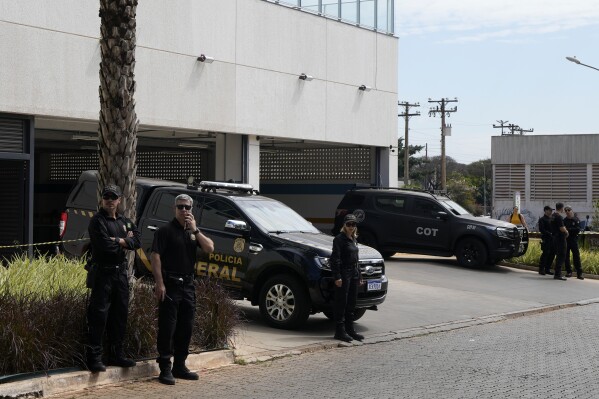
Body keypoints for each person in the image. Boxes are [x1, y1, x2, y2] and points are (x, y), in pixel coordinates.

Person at [151, 194, 214, 385]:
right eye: (180, 207)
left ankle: (180, 366)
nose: (184, 210)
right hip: (170, 284)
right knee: (168, 328)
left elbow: (210, 248)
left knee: (186, 327)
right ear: (174, 209)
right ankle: (165, 368)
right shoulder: (165, 231)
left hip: (188, 285)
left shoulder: (193, 233)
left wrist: (196, 230)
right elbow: (155, 257)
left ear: (192, 210)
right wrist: (160, 283)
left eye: (187, 207)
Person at [86, 184, 141, 372]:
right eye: (106, 196)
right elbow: (104, 247)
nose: (110, 200)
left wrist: (117, 240)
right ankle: (94, 359)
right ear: (102, 199)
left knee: (119, 315)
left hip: (120, 274)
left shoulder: (125, 222)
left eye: (113, 197)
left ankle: (116, 355)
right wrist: (126, 241)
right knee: (99, 316)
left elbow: (138, 241)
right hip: (103, 274)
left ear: (119, 200)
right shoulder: (97, 221)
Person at [330, 213, 364, 343]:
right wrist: (337, 276)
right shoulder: (339, 239)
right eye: (348, 224)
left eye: (353, 224)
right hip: (344, 272)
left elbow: (356, 259)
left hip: (354, 272)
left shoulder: (354, 239)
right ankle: (339, 331)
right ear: (344, 225)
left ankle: (350, 329)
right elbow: (335, 259)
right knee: (342, 302)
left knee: (351, 302)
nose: (351, 227)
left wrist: (359, 274)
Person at [564, 207, 584, 280]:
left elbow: (578, 229)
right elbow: (563, 230)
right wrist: (569, 230)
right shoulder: (564, 220)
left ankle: (579, 273)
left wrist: (568, 229)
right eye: (566, 210)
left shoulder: (576, 220)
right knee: (566, 257)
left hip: (574, 240)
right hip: (566, 240)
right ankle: (569, 272)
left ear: (572, 211)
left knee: (576, 256)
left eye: (569, 210)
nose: (567, 212)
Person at [550, 202, 569, 281]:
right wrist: (566, 232)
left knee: (558, 255)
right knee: (561, 255)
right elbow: (561, 228)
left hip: (554, 237)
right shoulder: (559, 217)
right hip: (560, 238)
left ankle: (557, 273)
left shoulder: (553, 216)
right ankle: (558, 274)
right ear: (561, 208)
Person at [537, 205, 553, 275]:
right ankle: (541, 269)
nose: (551, 212)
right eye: (550, 210)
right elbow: (542, 230)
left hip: (552, 239)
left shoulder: (552, 219)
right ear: (546, 210)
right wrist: (549, 234)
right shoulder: (542, 219)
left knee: (552, 254)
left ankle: (547, 269)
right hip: (546, 239)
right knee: (545, 254)